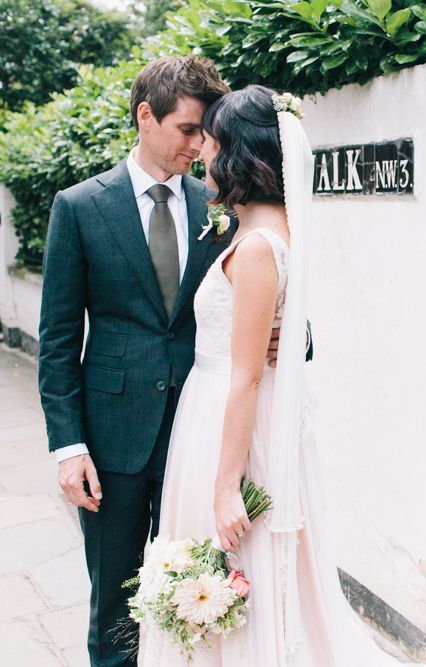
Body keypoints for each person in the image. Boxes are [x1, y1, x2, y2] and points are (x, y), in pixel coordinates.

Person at [142, 85, 426, 667]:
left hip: (233, 422)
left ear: (238, 156)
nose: (202, 154)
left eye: (212, 143)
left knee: (238, 564)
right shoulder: (270, 232)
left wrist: (224, 487)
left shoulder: (255, 248)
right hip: (237, 414)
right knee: (256, 576)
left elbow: (245, 377)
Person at [37, 57, 305, 667]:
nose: (198, 145)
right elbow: (56, 340)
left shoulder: (219, 203)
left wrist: (291, 338)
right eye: (187, 129)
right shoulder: (79, 207)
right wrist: (68, 446)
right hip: (113, 441)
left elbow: (273, 293)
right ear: (145, 117)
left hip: (203, 441)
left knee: (203, 596)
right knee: (117, 603)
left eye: (204, 132)